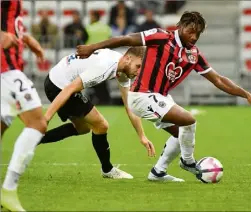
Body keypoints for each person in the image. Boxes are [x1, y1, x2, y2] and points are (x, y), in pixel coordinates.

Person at [76, 11, 251, 182]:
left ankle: (158, 172)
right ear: (180, 26)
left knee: (180, 133)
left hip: (160, 97)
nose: (194, 37)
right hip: (141, 94)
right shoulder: (160, 36)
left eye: (198, 33)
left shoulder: (193, 54)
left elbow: (219, 80)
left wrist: (245, 94)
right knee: (189, 121)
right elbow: (125, 39)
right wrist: (92, 47)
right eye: (191, 31)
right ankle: (188, 162)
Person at [38, 47, 155, 179]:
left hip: (56, 79)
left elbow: (129, 105)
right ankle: (107, 169)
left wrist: (142, 136)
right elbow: (69, 89)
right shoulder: (104, 67)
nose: (138, 72)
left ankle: (34, 139)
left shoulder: (121, 67)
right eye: (138, 66)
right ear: (128, 58)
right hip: (59, 85)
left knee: (83, 128)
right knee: (101, 125)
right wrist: (46, 118)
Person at [1, 0, 47, 211]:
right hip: (5, 69)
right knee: (37, 123)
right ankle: (8, 191)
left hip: (8, 68)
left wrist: (26, 38)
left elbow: (11, 24)